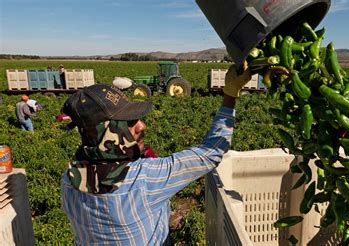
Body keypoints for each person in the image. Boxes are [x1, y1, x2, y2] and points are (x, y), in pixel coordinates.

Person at [60, 63, 251, 245]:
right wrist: (230, 95)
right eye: (128, 122)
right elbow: (210, 152)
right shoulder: (143, 181)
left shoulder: (69, 180)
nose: (142, 125)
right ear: (106, 132)